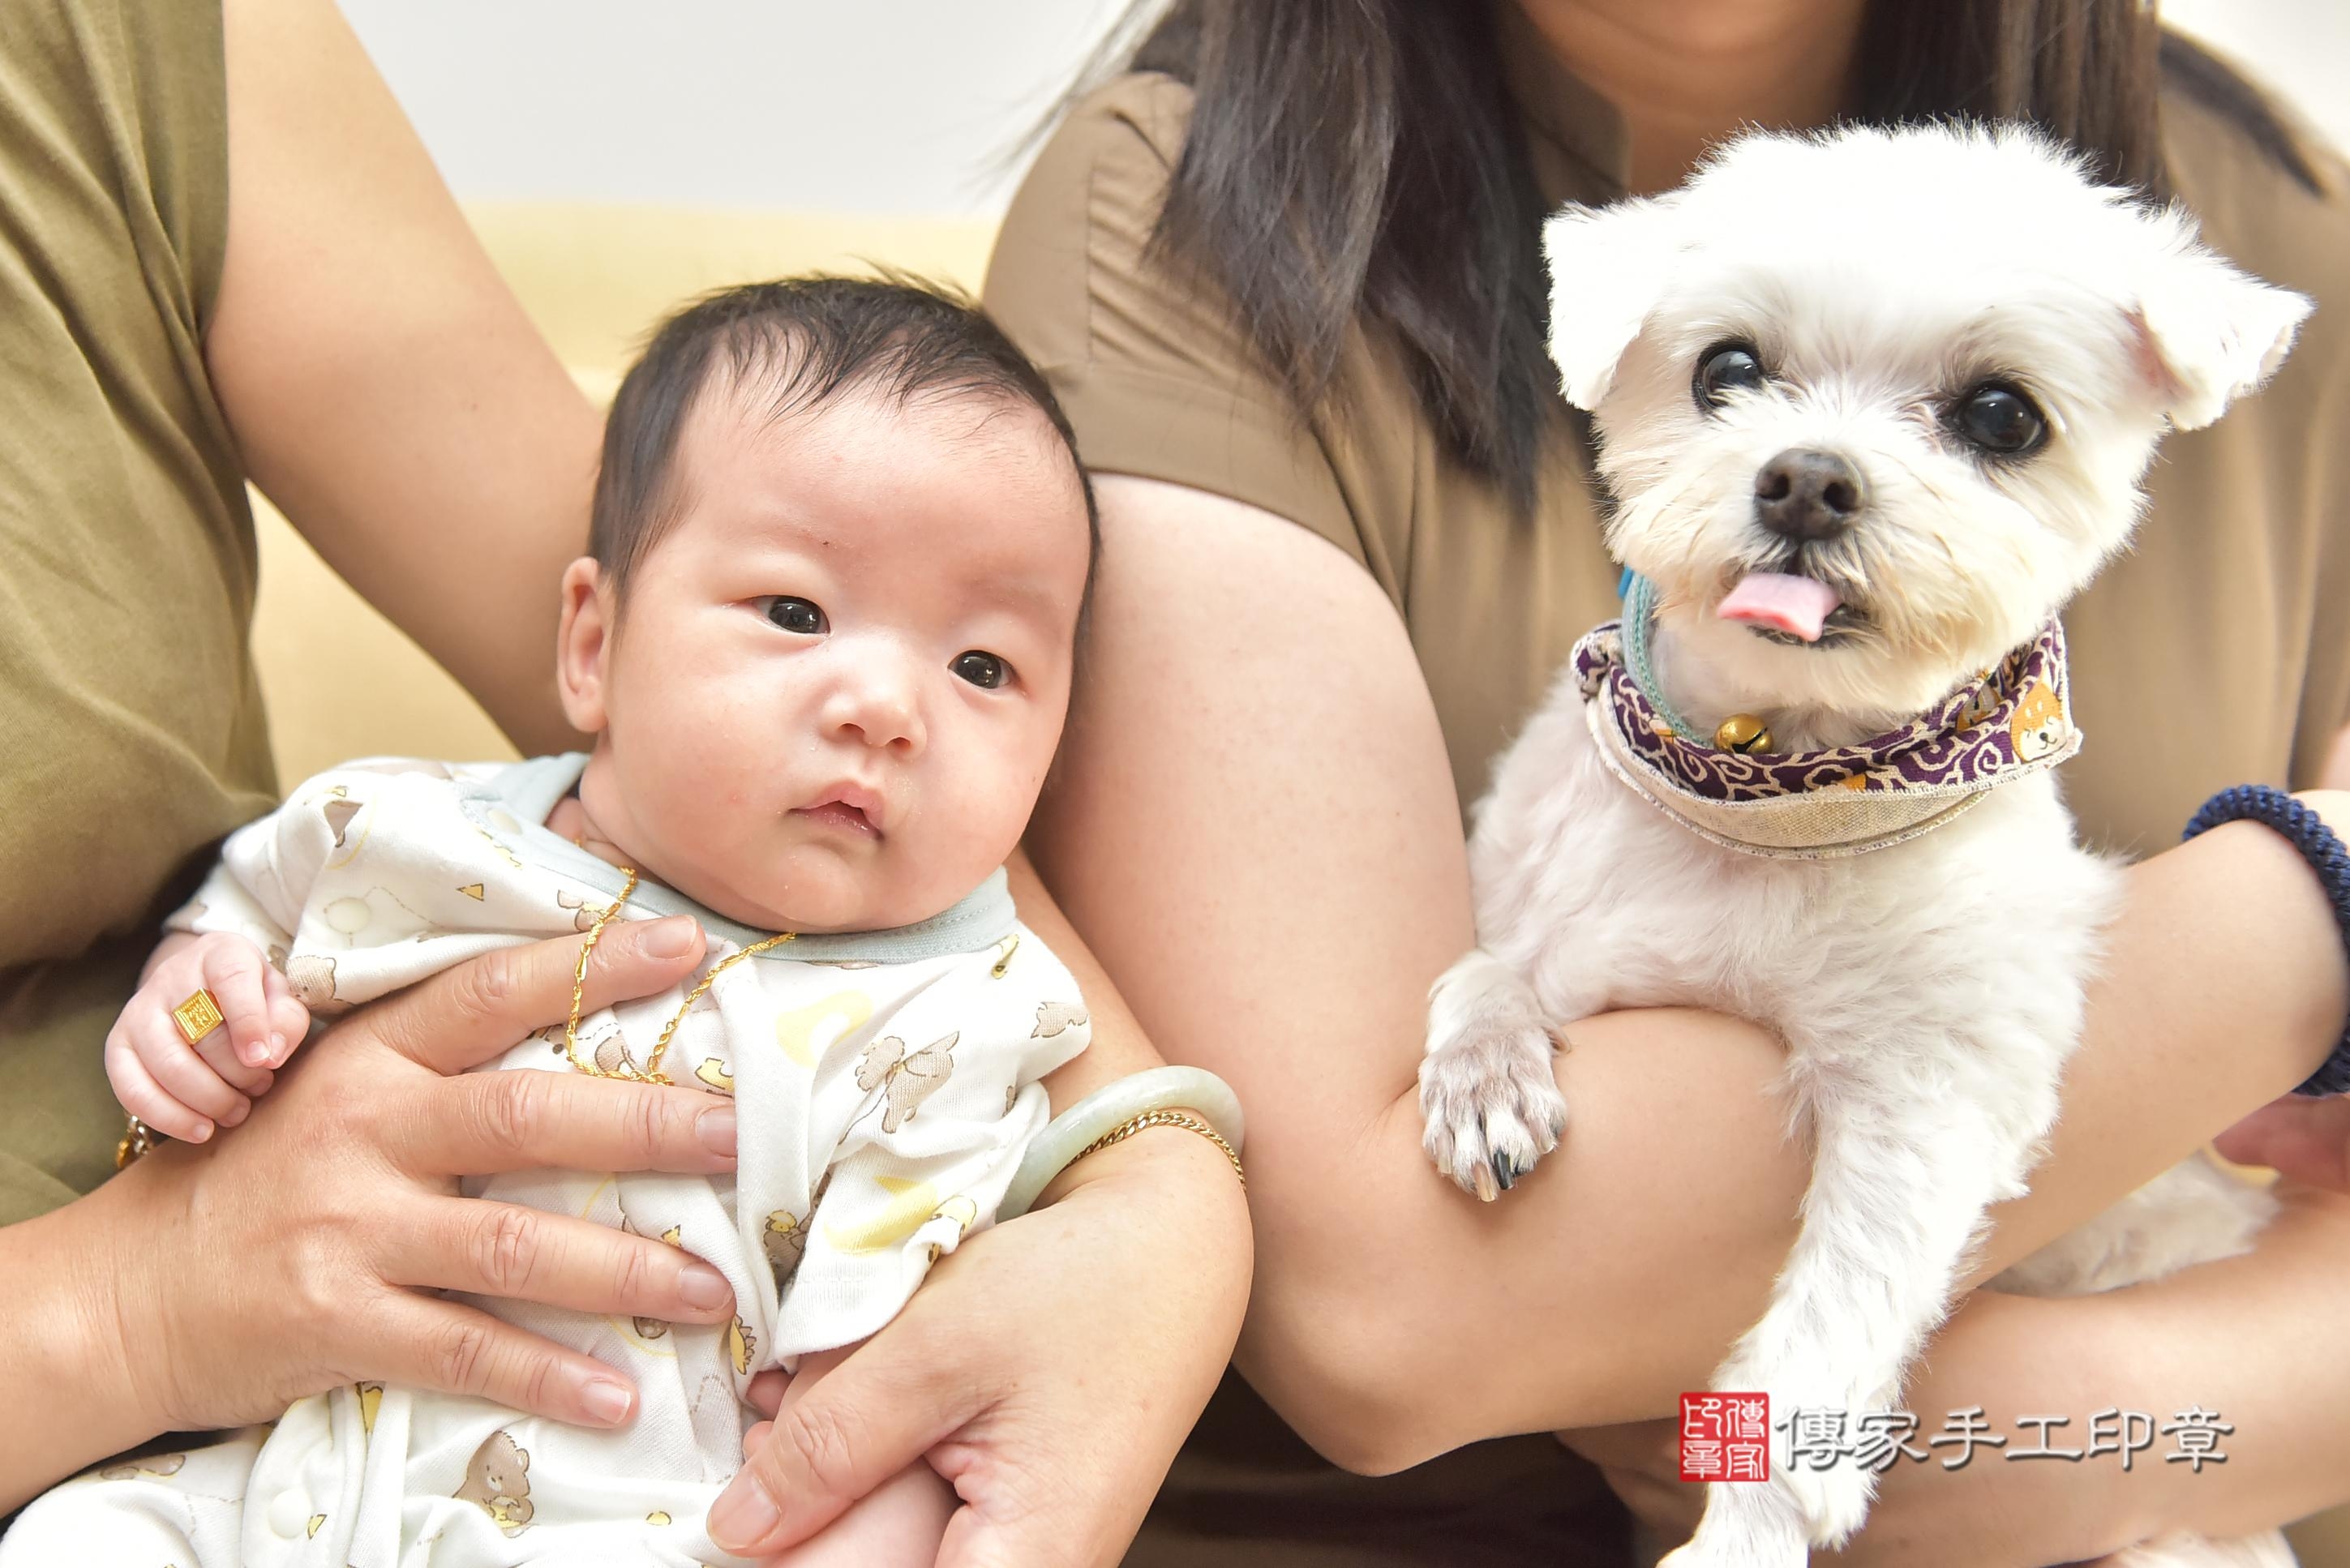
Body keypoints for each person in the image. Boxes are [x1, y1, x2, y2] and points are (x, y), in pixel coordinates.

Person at [971, 1, 2350, 1562]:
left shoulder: (2278, 221)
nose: (1813, 472)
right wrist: (2316, 901)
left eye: (1985, 419)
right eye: (1737, 375)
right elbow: (1401, 1324)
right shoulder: (1192, 220)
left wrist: (2101, 1425)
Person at [0, 3, 1252, 1564]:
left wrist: (1165, 1214)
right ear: (588, 644)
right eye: (795, 614)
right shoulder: (411, 824)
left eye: (984, 669)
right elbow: (241, 917)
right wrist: (201, 1014)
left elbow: (912, 1395)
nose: (885, 708)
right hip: (264, 1476)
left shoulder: (968, 1022)